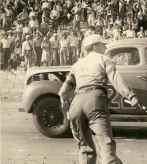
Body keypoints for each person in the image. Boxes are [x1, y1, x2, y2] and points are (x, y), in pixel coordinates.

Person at [58, 35, 139, 164]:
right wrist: (131, 95)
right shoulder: (104, 59)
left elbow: (63, 92)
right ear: (94, 46)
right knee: (107, 147)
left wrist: (65, 106)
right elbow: (116, 80)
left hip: (76, 103)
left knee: (85, 150)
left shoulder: (77, 64)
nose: (105, 47)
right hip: (95, 100)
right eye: (103, 45)